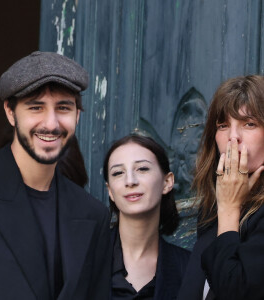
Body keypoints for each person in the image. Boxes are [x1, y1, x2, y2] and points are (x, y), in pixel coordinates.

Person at [0, 51, 111, 300]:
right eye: (36, 107)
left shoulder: (93, 214)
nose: (51, 124)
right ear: (11, 113)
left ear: (77, 115)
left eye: (63, 107)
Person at [177, 75, 264, 300]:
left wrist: (229, 210)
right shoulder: (211, 210)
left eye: (249, 123)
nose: (233, 137)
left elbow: (235, 291)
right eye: (223, 125)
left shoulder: (225, 208)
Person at [103, 134, 190, 300]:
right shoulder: (84, 258)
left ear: (167, 182)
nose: (130, 181)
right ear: (110, 191)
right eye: (118, 173)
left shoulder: (189, 268)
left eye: (142, 169)